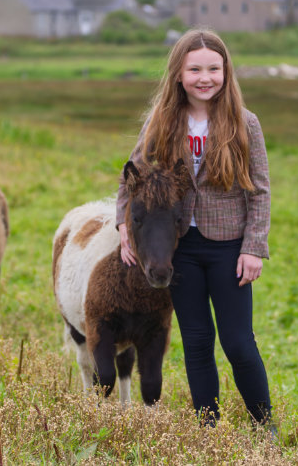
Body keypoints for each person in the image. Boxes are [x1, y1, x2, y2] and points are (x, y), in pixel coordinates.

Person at [116, 28, 272, 428]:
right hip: (179, 247)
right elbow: (130, 178)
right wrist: (122, 225)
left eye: (214, 69)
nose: (206, 78)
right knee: (198, 342)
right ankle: (208, 429)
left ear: (226, 72)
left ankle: (263, 426)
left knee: (238, 343)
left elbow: (260, 191)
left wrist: (253, 247)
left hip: (228, 246)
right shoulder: (162, 121)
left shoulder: (245, 123)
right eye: (195, 69)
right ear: (179, 75)